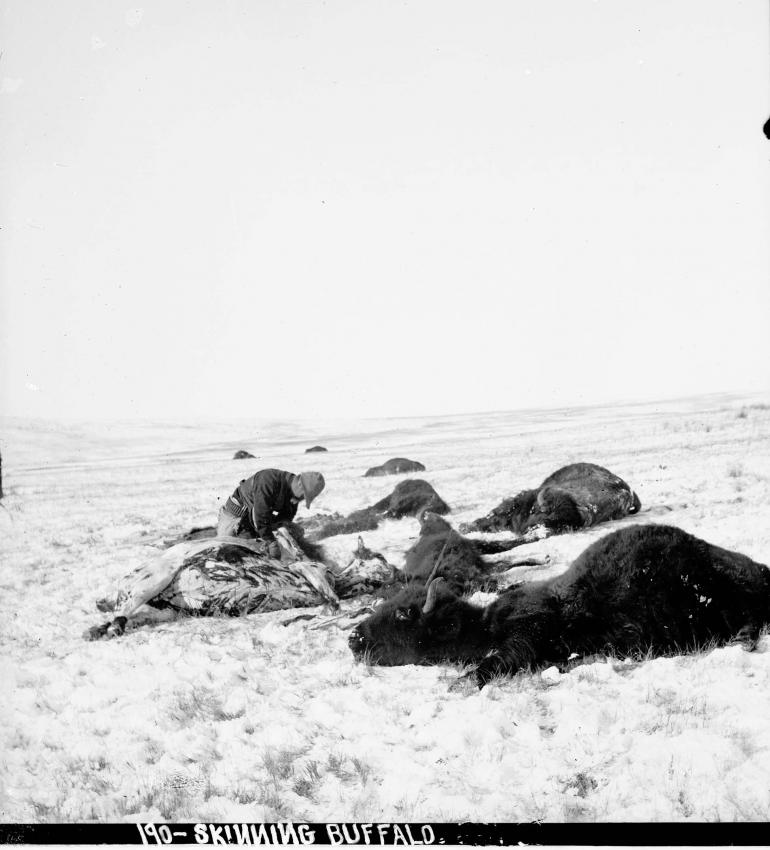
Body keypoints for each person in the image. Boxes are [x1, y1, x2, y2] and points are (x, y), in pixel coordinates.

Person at [217, 468, 325, 558]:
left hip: (256, 522)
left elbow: (284, 520)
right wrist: (271, 542)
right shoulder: (269, 480)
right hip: (236, 519)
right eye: (303, 496)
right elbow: (260, 516)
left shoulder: (293, 495)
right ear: (300, 484)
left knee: (292, 532)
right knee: (234, 555)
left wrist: (285, 534)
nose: (301, 500)